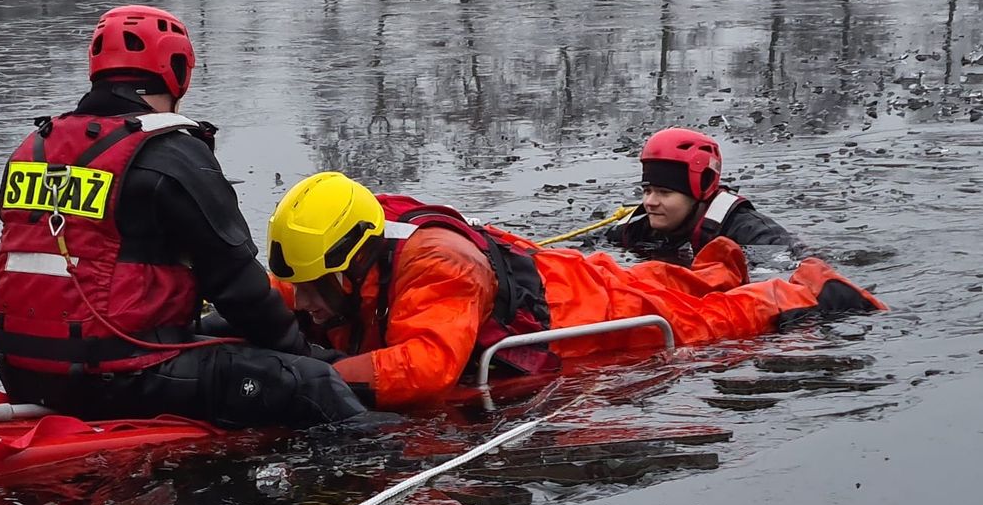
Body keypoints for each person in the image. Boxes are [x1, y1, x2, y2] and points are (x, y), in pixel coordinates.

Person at [0, 4, 367, 429]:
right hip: (114, 380)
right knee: (312, 384)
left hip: (20, 371)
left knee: (223, 331)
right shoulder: (171, 152)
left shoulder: (34, 148)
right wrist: (307, 358)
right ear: (177, 69)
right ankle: (397, 469)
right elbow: (239, 288)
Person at [265, 172, 885, 411]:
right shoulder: (334, 258)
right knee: (668, 283)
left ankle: (808, 291)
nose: (306, 304)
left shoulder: (435, 267)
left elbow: (425, 367)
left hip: (570, 308)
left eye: (316, 291)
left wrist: (309, 377)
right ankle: (720, 267)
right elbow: (282, 291)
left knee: (697, 323)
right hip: (541, 277)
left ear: (351, 263)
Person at [599, 128, 802, 263]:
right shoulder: (637, 226)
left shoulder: (750, 232)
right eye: (647, 191)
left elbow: (798, 264)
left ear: (699, 192)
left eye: (665, 193)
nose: (650, 202)